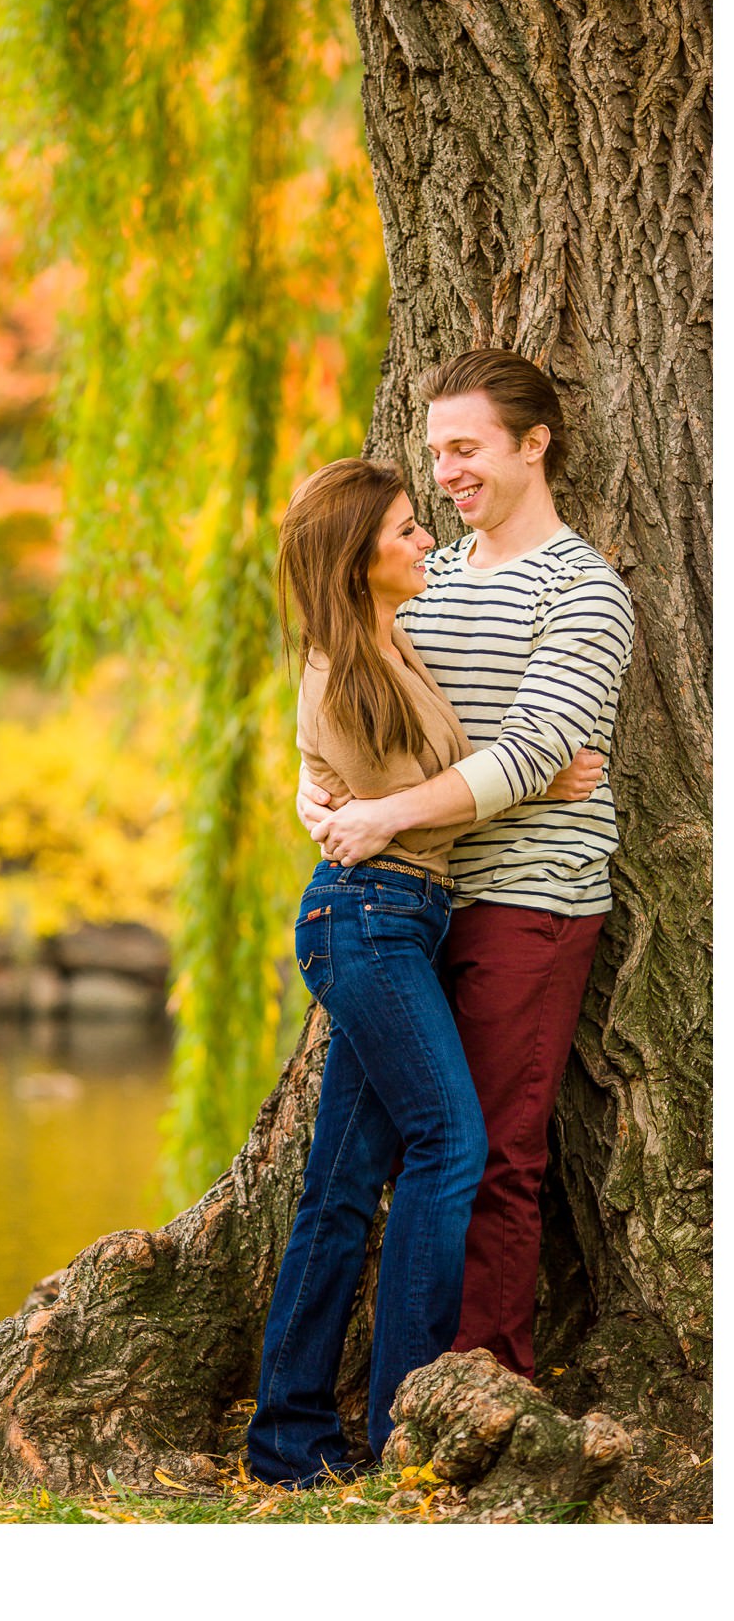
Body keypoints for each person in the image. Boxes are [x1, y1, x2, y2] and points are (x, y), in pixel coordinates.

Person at [245, 456, 595, 1490]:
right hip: (371, 922)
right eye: (404, 531)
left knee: (342, 1185)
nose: (426, 541)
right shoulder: (340, 669)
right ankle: (405, 1427)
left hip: (400, 919)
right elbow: (411, 805)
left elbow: (390, 785)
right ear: (360, 560)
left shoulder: (385, 644)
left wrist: (518, 767)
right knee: (453, 1143)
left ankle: (288, 1440)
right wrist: (540, 782)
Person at [298, 349, 635, 1385]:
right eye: (436, 449)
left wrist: (398, 807)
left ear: (535, 445)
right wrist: (312, 794)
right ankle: (382, 1400)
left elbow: (531, 749)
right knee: (385, 1162)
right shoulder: (424, 574)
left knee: (489, 1155)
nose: (444, 472)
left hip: (526, 898)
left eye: (467, 447)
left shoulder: (584, 591)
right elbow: (344, 691)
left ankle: (485, 1383)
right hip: (404, 901)